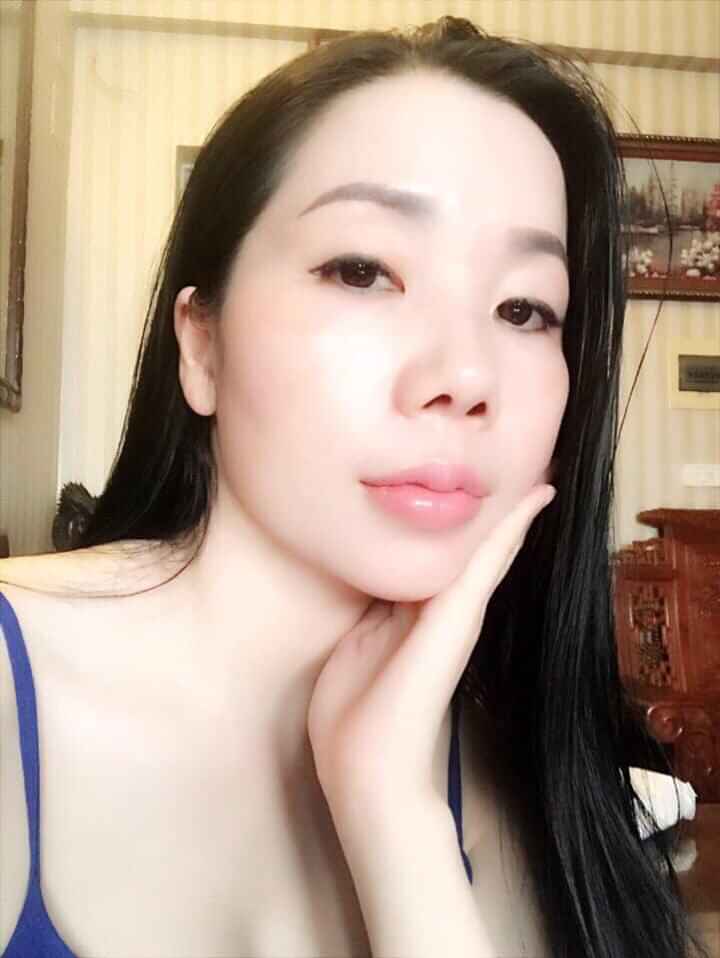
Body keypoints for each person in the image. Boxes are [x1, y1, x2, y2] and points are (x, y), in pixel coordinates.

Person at [0, 15, 706, 958]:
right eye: (364, 271)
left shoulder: (537, 782)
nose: (466, 375)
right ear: (201, 343)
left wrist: (393, 816)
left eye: (523, 308)